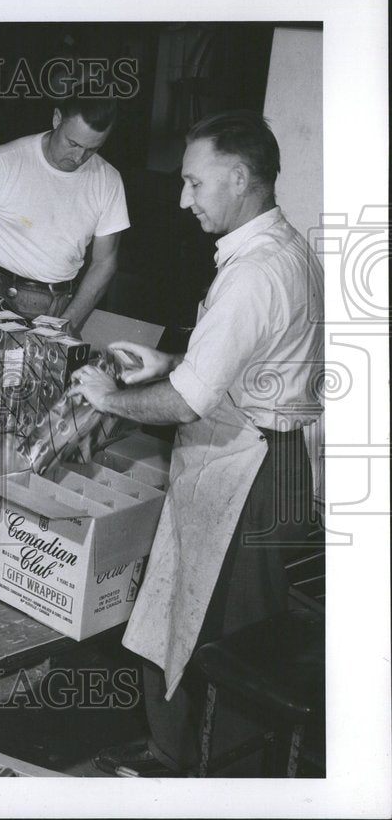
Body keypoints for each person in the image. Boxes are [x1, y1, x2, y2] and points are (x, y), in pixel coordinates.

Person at [68, 110, 323, 776]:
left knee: (225, 642)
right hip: (257, 457)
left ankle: (214, 780)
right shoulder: (279, 248)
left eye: (194, 183)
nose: (184, 200)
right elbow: (231, 362)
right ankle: (169, 754)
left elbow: (188, 401)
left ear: (239, 178)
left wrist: (109, 398)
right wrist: (167, 362)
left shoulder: (254, 272)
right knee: (183, 611)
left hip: (251, 471)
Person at [0, 89, 129, 330]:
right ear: (56, 119)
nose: (78, 158)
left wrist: (67, 324)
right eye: (72, 143)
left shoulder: (109, 181)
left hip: (57, 306)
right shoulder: (4, 161)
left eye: (92, 149)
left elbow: (104, 263)